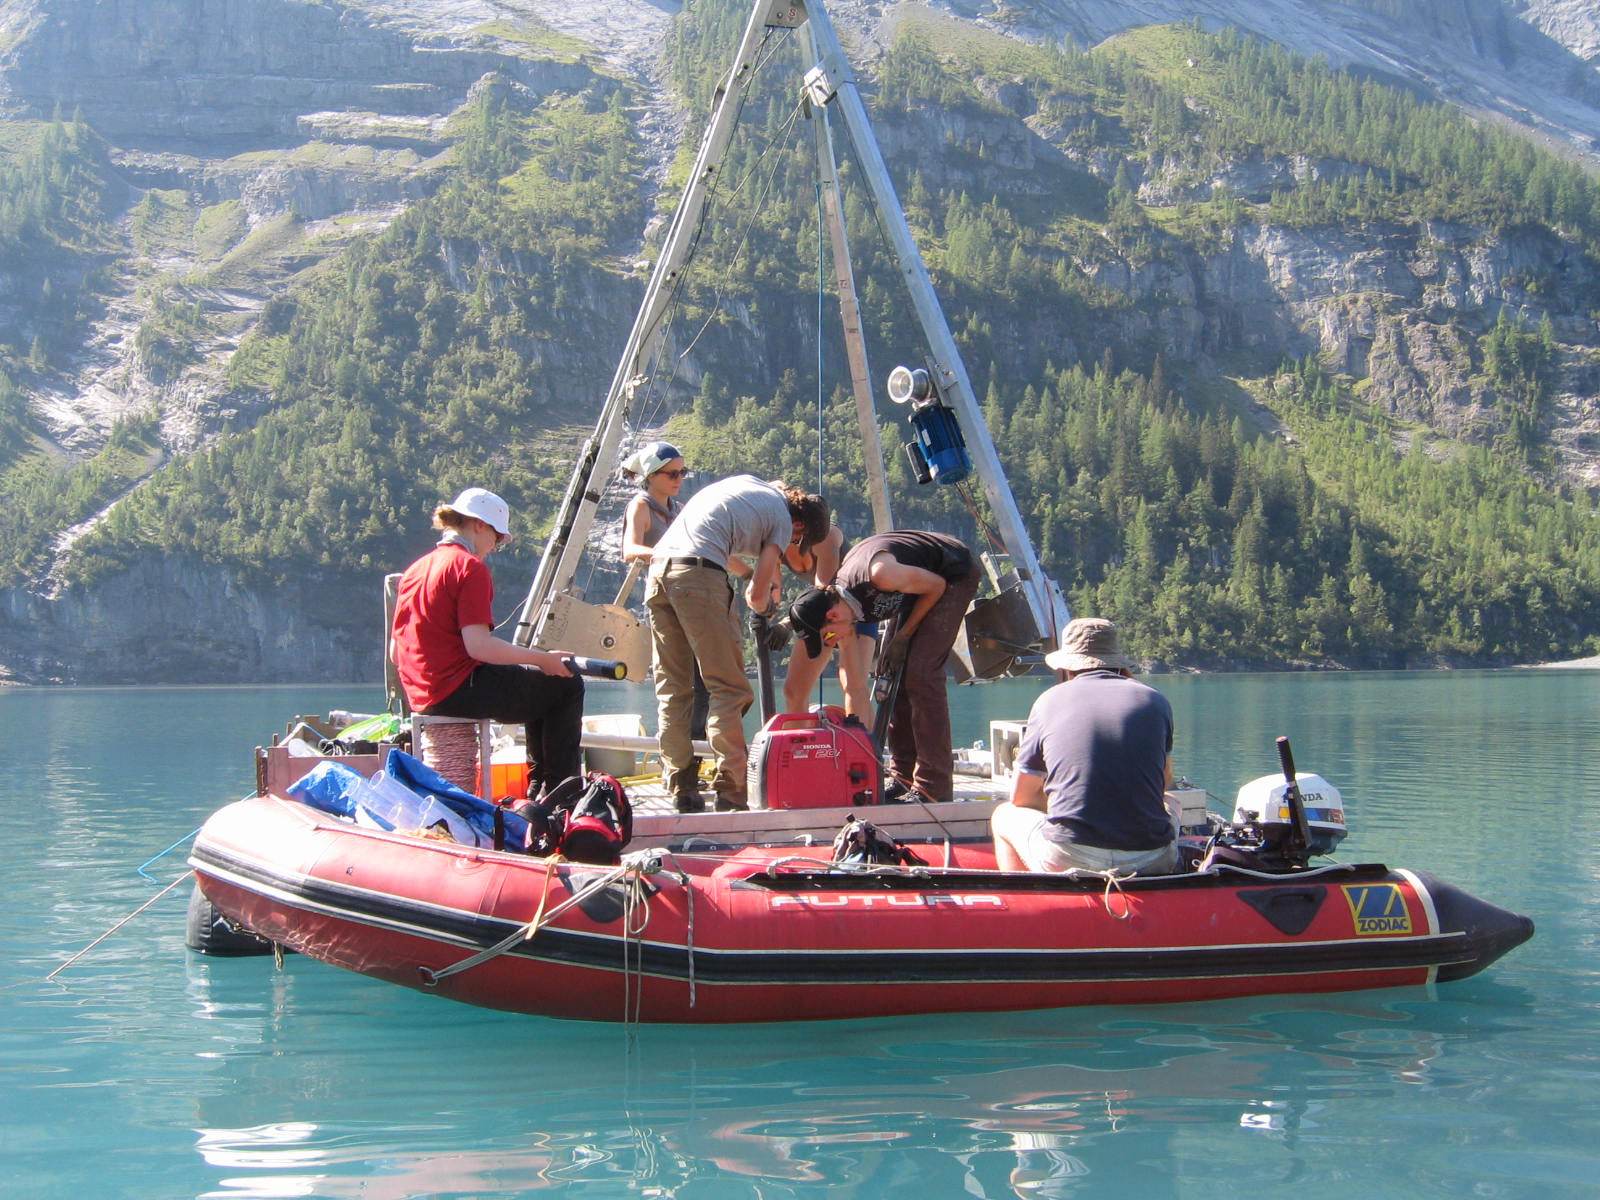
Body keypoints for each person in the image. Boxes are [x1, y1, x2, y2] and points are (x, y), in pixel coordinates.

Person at [647, 475, 830, 812]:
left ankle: (681, 787)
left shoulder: (752, 488)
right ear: (798, 523)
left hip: (658, 572)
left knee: (674, 689)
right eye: (798, 537)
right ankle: (730, 790)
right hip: (697, 579)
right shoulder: (780, 518)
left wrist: (748, 575)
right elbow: (759, 596)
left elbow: (715, 542)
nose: (792, 542)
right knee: (728, 689)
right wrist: (767, 609)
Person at [390, 487, 585, 800]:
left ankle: (540, 787)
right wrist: (543, 659)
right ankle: (561, 795)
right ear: (479, 525)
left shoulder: (416, 569)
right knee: (564, 682)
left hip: (421, 693)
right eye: (497, 538)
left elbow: (394, 650)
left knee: (536, 684)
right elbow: (478, 647)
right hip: (457, 688)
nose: (495, 547)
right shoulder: (469, 567)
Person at [786, 530, 981, 803]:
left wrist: (903, 636)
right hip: (916, 588)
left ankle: (933, 787)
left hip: (950, 574)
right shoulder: (845, 605)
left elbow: (936, 586)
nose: (833, 641)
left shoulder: (880, 575)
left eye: (829, 636)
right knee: (890, 673)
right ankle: (902, 777)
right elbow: (854, 680)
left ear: (832, 615)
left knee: (921, 675)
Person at [990, 617, 1178, 877]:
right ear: (1117, 661)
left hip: (1070, 854)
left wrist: (1053, 802)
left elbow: (1020, 797)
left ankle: (1024, 899)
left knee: (1003, 815)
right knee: (1173, 803)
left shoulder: (1049, 701)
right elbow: (1163, 783)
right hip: (1150, 855)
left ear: (1068, 666)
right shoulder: (1155, 700)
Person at [779, 522, 873, 720]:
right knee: (794, 691)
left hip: (855, 613)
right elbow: (771, 590)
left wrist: (789, 622)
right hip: (820, 619)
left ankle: (863, 747)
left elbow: (823, 590)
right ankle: (799, 747)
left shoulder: (825, 535)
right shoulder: (775, 542)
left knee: (853, 687)